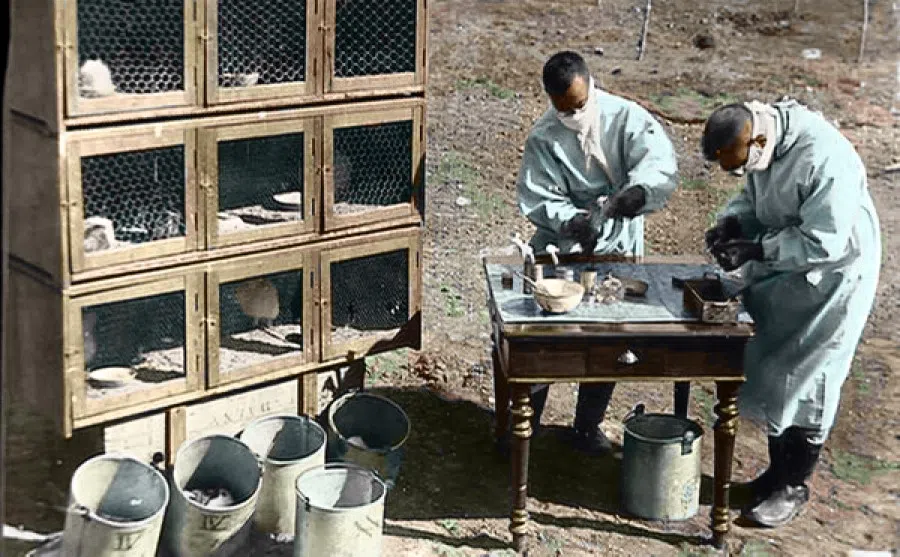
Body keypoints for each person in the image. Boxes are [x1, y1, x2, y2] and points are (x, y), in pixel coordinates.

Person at [701, 99, 881, 527]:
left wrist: (757, 249)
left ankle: (793, 486)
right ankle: (775, 474)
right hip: (790, 268)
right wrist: (733, 224)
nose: (739, 173)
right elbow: (753, 197)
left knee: (813, 377)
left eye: (738, 164)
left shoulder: (825, 159)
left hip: (834, 274)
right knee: (778, 369)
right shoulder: (765, 141)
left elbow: (823, 241)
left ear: (757, 140)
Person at [516, 51, 679, 453]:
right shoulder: (544, 137)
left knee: (610, 334)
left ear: (591, 84)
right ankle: (527, 426)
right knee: (546, 336)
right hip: (563, 246)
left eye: (579, 105)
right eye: (563, 109)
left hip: (619, 243)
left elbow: (658, 167)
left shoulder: (628, 119)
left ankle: (586, 427)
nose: (573, 115)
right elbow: (539, 196)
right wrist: (575, 221)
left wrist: (629, 198)